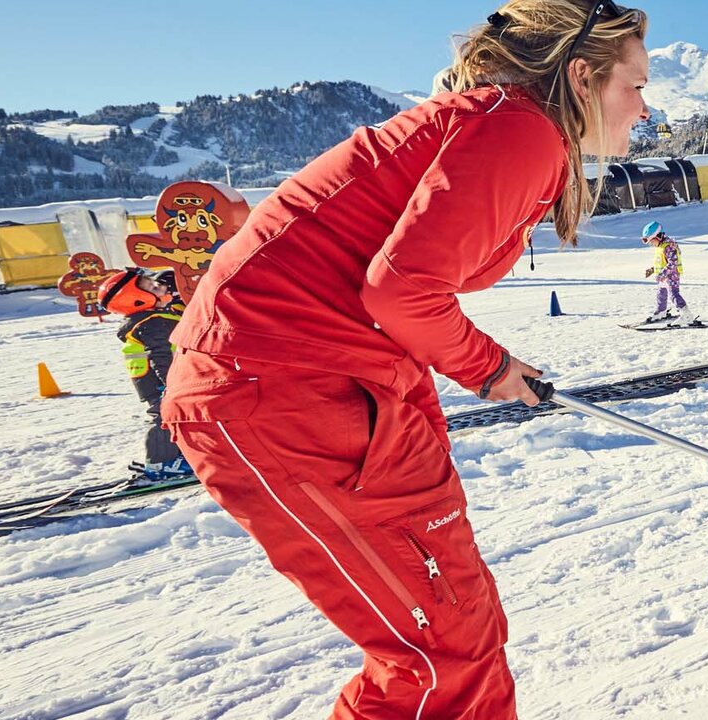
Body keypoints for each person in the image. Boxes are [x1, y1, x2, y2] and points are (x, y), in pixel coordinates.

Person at [158, 2, 650, 717]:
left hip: (332, 381)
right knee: (440, 655)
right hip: (279, 386)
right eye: (633, 83)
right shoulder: (519, 131)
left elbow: (388, 301)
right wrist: (490, 368)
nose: (642, 105)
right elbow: (403, 292)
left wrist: (428, 419)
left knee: (458, 632)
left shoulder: (502, 125)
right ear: (581, 77)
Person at [98, 267, 192, 480]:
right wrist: (171, 382)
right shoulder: (150, 323)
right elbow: (159, 354)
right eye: (153, 287)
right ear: (137, 298)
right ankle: (159, 463)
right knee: (164, 415)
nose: (159, 288)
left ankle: (177, 456)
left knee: (178, 416)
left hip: (161, 379)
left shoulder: (153, 318)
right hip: (158, 380)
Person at [639, 220, 688, 323]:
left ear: (659, 236)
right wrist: (653, 270)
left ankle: (686, 314)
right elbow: (661, 262)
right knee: (661, 294)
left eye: (652, 241)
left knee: (673, 294)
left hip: (672, 275)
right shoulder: (660, 246)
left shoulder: (669, 246)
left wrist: (662, 273)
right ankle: (661, 312)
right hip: (663, 276)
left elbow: (672, 263)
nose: (652, 244)